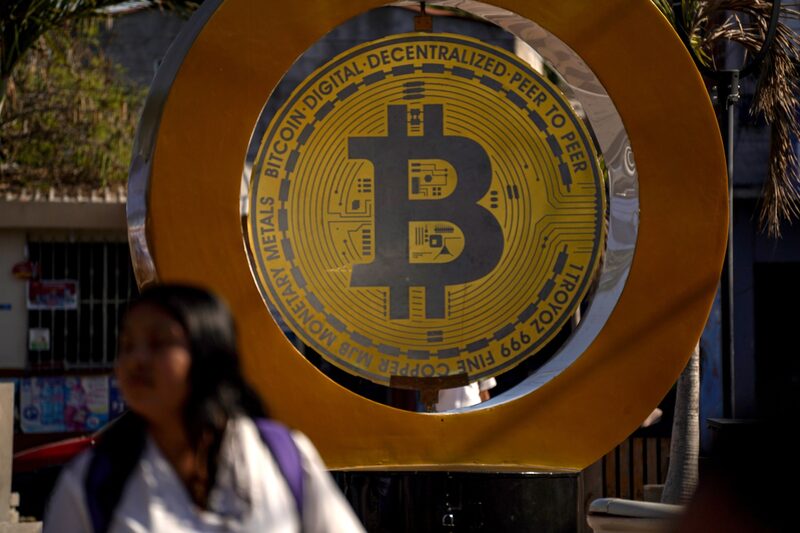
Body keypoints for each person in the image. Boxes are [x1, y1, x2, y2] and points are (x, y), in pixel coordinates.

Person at [44, 283, 365, 532]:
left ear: (208, 356)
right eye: (126, 345)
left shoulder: (283, 458)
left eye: (159, 343)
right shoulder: (92, 481)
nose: (135, 360)